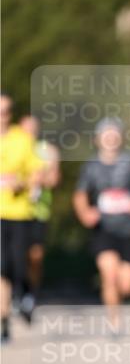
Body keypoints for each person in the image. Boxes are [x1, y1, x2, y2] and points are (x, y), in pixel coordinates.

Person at [72, 117, 130, 328]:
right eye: (106, 134)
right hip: (103, 228)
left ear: (120, 137)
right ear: (98, 139)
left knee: (127, 284)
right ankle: (114, 319)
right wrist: (85, 212)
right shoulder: (91, 166)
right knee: (109, 273)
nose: (110, 138)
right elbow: (80, 194)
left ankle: (120, 299)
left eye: (114, 134)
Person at [0, 94, 42, 343]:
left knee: (17, 265)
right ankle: (3, 319)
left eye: (5, 111)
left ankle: (24, 295)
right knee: (1, 267)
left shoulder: (22, 140)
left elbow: (38, 175)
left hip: (19, 213)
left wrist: (21, 183)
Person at [19, 114, 61, 321]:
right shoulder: (11, 147)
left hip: (38, 211)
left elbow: (53, 179)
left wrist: (34, 177)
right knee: (13, 257)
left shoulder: (48, 151)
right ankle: (17, 293)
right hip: (13, 211)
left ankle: (31, 293)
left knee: (35, 256)